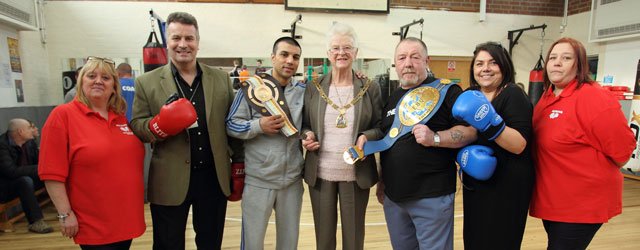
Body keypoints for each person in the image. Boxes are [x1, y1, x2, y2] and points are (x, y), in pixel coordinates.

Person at [130, 12, 243, 250]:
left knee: (210, 243)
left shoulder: (221, 79)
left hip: (213, 178)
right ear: (167, 42)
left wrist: (239, 165)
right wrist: (158, 125)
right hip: (169, 178)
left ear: (198, 42)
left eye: (189, 38)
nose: (183, 44)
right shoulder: (146, 82)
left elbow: (233, 124)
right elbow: (138, 126)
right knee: (167, 244)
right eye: (176, 38)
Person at [366, 37, 476, 250]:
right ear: (395, 64)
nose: (408, 63)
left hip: (432, 195)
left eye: (415, 57)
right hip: (394, 197)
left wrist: (435, 138)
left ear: (427, 61)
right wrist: (382, 181)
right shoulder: (393, 97)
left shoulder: (448, 92)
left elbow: (470, 132)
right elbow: (387, 143)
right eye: (402, 58)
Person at [530, 37, 636, 250]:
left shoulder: (593, 97)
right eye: (553, 57)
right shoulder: (547, 97)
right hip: (554, 201)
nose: (557, 62)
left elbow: (623, 150)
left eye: (566, 58)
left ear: (579, 65)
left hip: (581, 205)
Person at [39, 56, 145, 248]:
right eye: (91, 76)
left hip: (125, 217)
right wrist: (65, 214)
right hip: (93, 220)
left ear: (114, 86)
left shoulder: (119, 117)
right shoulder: (62, 115)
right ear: (81, 82)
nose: (98, 81)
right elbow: (51, 173)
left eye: (105, 77)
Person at [300, 23, 382, 250]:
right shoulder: (314, 87)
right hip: (320, 174)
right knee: (324, 240)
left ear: (355, 53)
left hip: (356, 175)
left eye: (347, 47)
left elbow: (380, 126)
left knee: (354, 240)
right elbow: (305, 124)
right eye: (335, 48)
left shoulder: (369, 87)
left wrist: (366, 136)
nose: (341, 53)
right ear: (327, 53)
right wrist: (306, 135)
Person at [226, 36, 305, 250]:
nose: (290, 61)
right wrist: (258, 125)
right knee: (252, 243)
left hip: (292, 181)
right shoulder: (251, 89)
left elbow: (307, 126)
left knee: (289, 244)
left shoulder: (302, 91)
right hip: (259, 181)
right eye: (284, 54)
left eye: (295, 57)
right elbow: (231, 124)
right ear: (273, 57)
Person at [454, 42, 535, 249]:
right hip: (477, 183)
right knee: (474, 240)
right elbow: (467, 135)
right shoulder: (472, 94)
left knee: (499, 241)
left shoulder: (513, 94)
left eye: (493, 63)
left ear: (504, 66)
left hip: (506, 186)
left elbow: (519, 144)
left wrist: (488, 123)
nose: (485, 68)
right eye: (479, 64)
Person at [0, 118, 53, 234]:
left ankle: (70, 210)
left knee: (53, 174)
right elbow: (11, 171)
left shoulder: (29, 143)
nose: (32, 130)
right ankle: (35, 222)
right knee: (25, 181)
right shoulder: (2, 145)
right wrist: (41, 168)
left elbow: (40, 161)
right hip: (5, 187)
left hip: (25, 181)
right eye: (29, 127)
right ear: (20, 132)